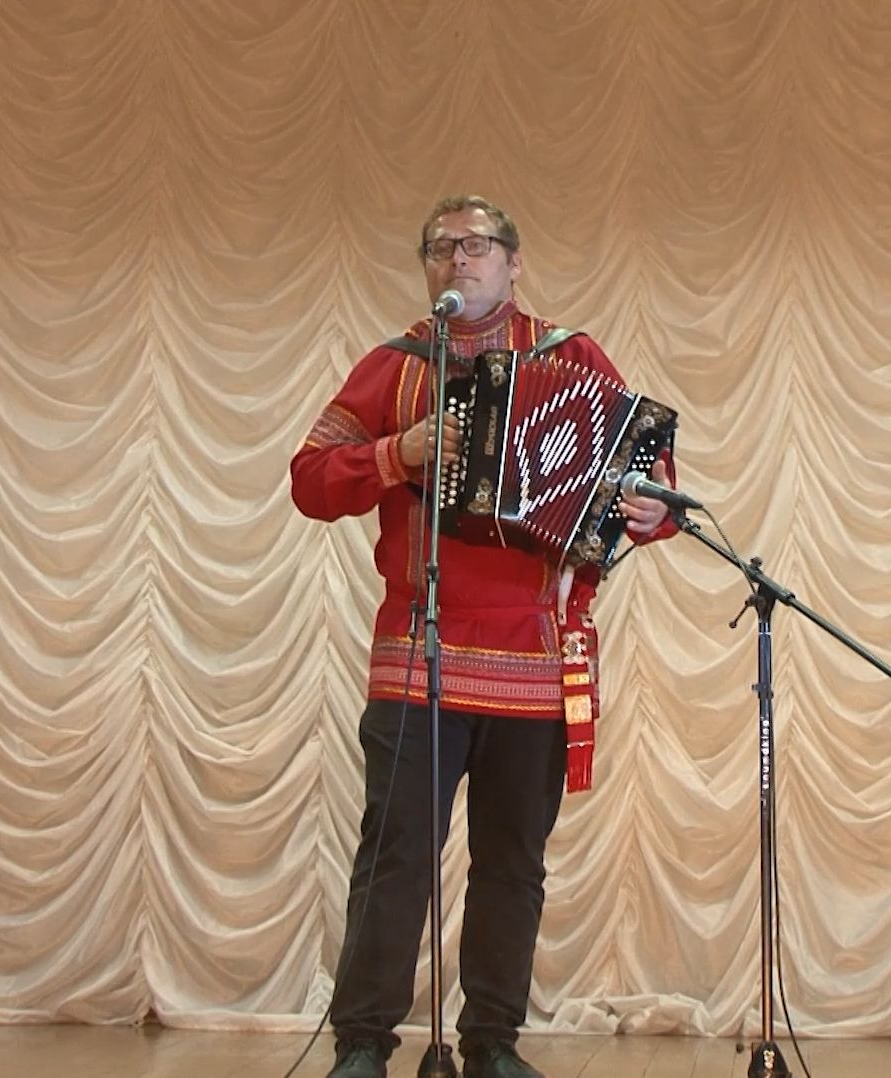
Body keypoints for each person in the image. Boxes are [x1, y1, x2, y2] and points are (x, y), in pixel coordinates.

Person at [289, 195, 679, 1078]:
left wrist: (652, 511)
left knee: (513, 864)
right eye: (440, 248)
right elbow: (309, 479)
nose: (456, 260)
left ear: (512, 263)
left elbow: (648, 481)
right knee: (395, 858)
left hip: (532, 660)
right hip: (418, 651)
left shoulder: (571, 358)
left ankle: (492, 1043)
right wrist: (397, 453)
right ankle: (362, 1043)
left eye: (475, 246)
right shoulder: (395, 368)